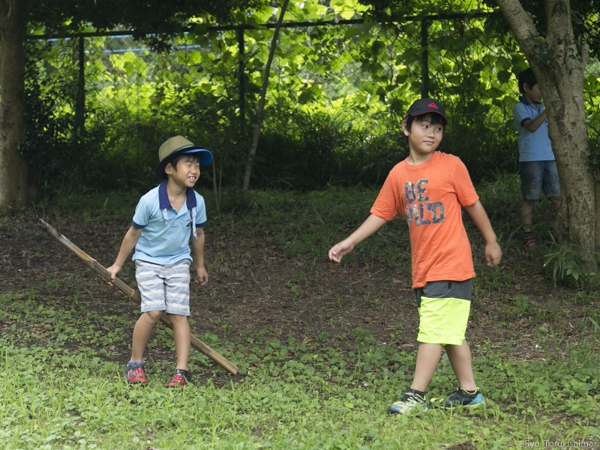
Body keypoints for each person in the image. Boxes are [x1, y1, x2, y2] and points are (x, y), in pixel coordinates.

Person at [328, 98, 502, 415]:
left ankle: (416, 395)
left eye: (438, 127)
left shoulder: (452, 166)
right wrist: (350, 241)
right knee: (449, 333)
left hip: (451, 263)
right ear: (406, 128)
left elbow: (473, 204)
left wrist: (490, 240)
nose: (432, 132)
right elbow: (381, 213)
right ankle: (470, 392)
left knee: (433, 330)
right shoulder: (398, 174)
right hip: (424, 267)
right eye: (424, 125)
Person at [107, 135, 211, 387]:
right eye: (188, 164)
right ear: (169, 169)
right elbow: (133, 234)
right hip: (149, 261)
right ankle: (135, 363)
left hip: (178, 262)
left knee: (178, 313)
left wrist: (199, 265)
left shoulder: (197, 202)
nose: (194, 170)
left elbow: (198, 234)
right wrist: (117, 265)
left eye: (197, 165)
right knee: (153, 311)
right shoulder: (150, 201)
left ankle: (181, 372)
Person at [513, 68, 562, 248]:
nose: (542, 92)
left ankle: (561, 231)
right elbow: (531, 127)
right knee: (530, 198)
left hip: (549, 157)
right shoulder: (520, 107)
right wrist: (548, 111)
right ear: (526, 87)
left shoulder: (540, 107)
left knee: (557, 197)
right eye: (539, 87)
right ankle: (527, 235)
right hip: (531, 159)